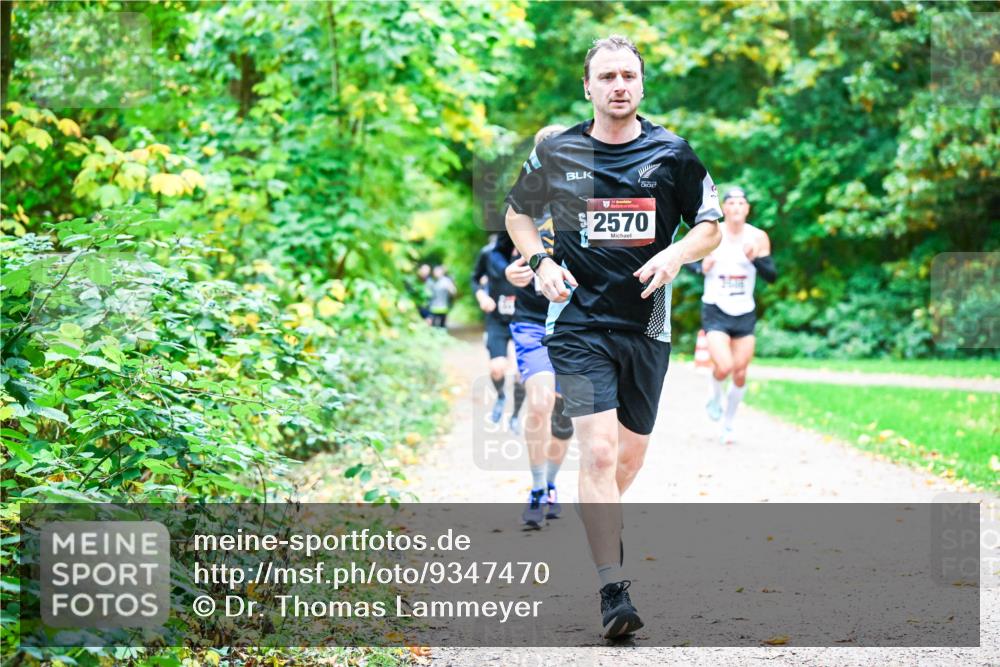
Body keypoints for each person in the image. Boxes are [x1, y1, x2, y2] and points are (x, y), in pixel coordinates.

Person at [504, 36, 722, 639]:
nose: (619, 85)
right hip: (577, 325)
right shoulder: (559, 151)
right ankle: (611, 588)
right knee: (597, 453)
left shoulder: (673, 153)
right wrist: (541, 263)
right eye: (607, 76)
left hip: (648, 326)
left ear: (642, 86)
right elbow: (517, 214)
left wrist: (676, 254)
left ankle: (599, 515)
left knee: (626, 459)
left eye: (629, 75)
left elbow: (709, 228)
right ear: (589, 87)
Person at [502, 124, 574, 528]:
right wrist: (511, 275)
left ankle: (550, 483)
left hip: (578, 322)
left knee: (563, 415)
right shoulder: (520, 201)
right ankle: (534, 487)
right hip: (532, 318)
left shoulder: (591, 196)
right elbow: (498, 263)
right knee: (541, 401)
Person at [697, 187, 776, 443]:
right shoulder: (712, 233)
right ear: (725, 208)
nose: (737, 207)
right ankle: (715, 392)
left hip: (744, 311)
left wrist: (755, 259)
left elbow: (771, 276)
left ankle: (728, 424)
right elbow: (685, 259)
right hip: (716, 308)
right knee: (725, 366)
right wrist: (701, 267)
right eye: (731, 203)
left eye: (742, 203)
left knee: (740, 372)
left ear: (747, 209)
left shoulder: (757, 237)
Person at [471, 235, 526, 430]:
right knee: (497, 367)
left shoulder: (531, 250)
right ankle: (501, 396)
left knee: (522, 373)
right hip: (497, 319)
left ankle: (516, 416)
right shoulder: (489, 253)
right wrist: (482, 297)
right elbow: (475, 279)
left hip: (523, 318)